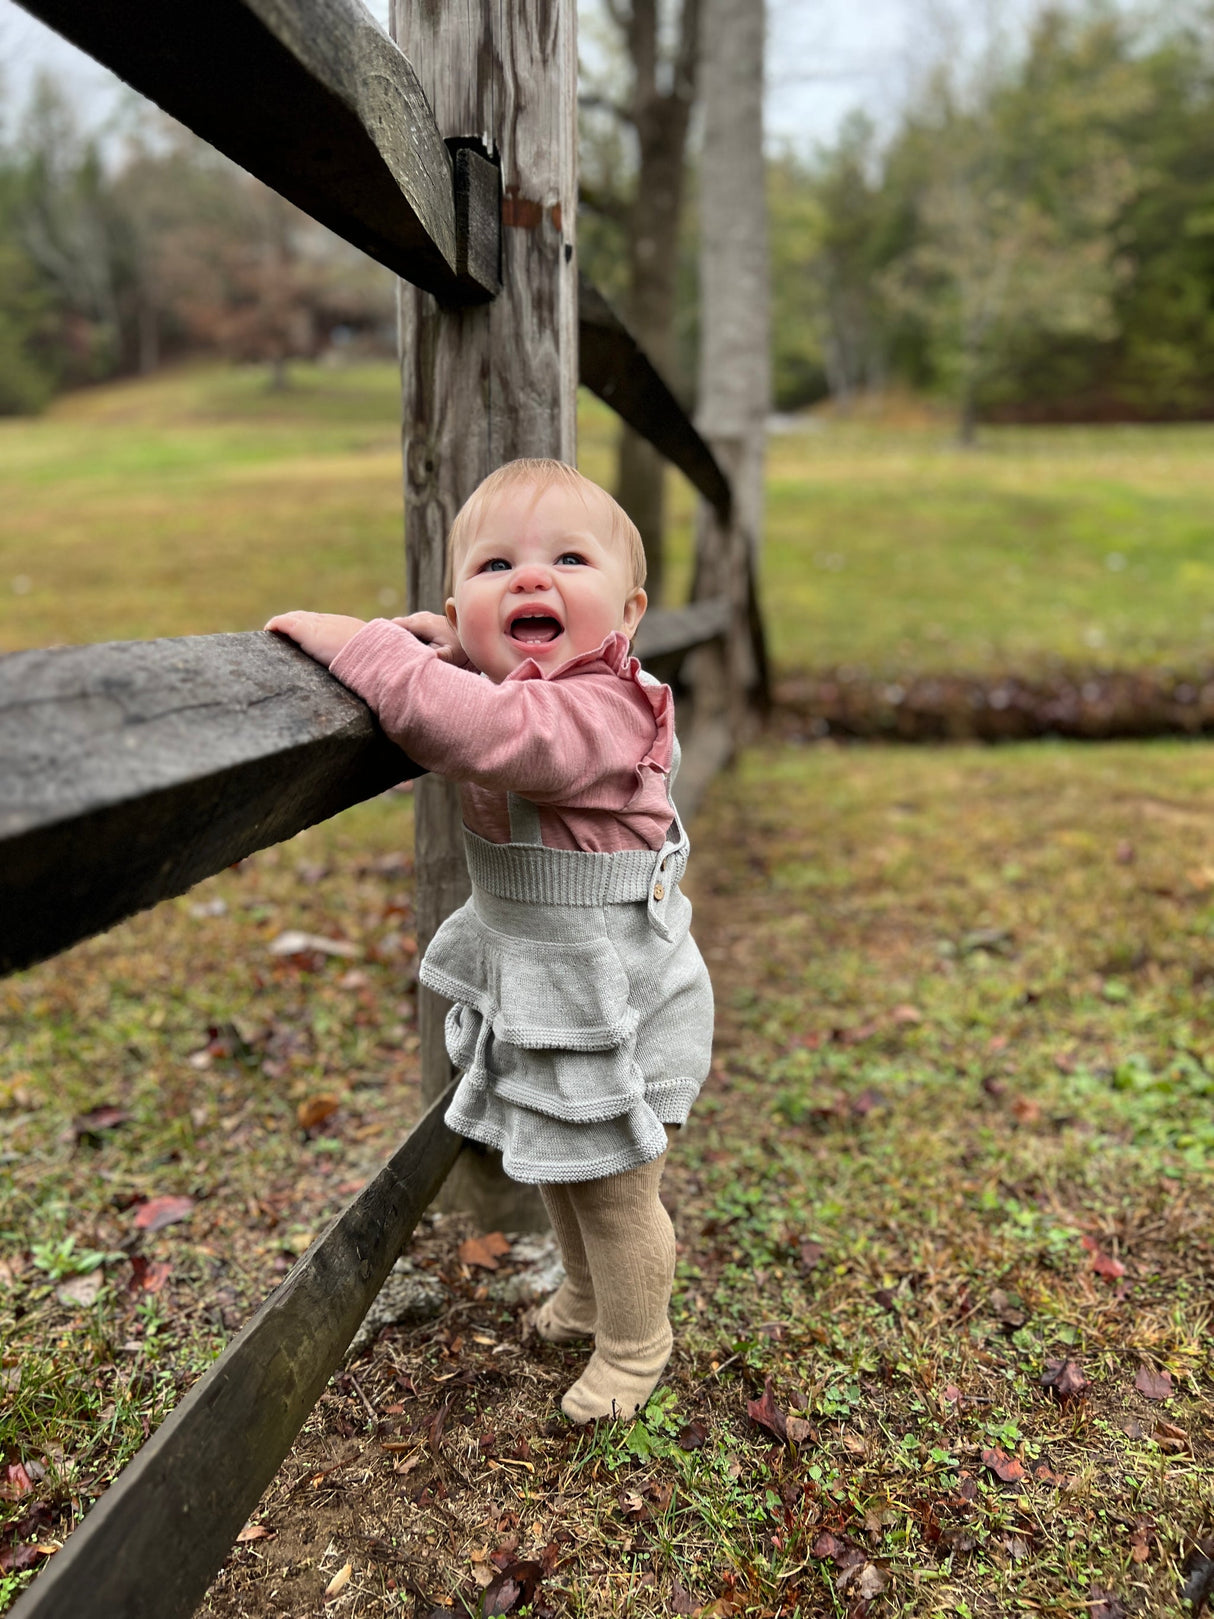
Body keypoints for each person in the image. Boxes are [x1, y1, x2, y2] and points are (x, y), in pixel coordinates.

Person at [266, 458, 713, 1422]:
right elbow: (482, 695)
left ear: (627, 614)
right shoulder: (513, 683)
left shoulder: (603, 707)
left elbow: (489, 732)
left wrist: (370, 648)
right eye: (495, 565)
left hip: (614, 997)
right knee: (554, 1149)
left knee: (615, 1187)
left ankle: (637, 1346)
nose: (530, 578)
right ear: (461, 605)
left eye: (567, 558)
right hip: (545, 980)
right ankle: (589, 1296)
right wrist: (449, 651)